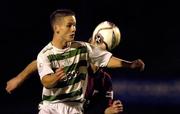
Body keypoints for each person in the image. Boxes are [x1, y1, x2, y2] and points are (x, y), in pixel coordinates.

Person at [6, 9, 144, 114]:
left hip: (75, 109)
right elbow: (41, 66)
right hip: (51, 107)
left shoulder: (97, 69)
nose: (74, 29)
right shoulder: (50, 54)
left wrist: (130, 64)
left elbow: (107, 60)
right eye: (70, 25)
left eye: (75, 25)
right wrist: (20, 78)